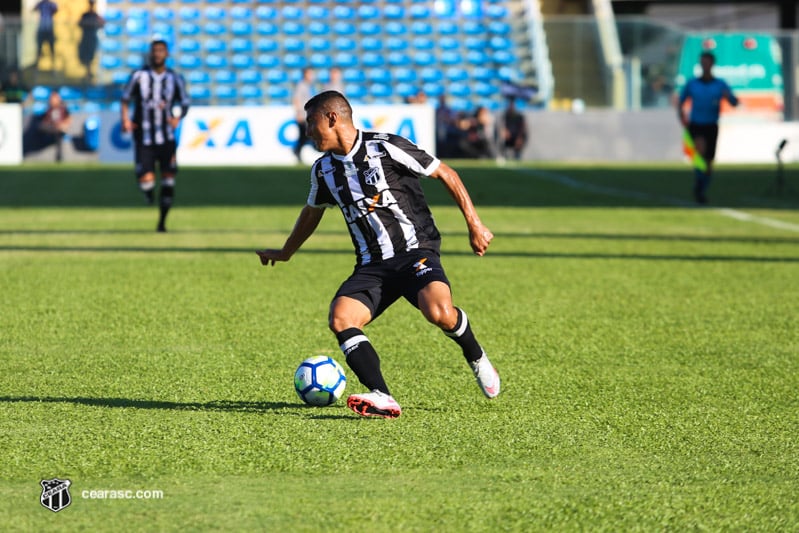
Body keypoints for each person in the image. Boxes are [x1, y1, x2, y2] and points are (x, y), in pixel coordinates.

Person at [256, 91, 500, 419]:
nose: (308, 131)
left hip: (416, 253)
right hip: (372, 265)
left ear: (332, 118)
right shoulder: (323, 169)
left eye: (311, 122)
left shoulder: (385, 146)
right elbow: (313, 212)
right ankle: (382, 395)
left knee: (440, 313)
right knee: (341, 318)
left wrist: (475, 224)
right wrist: (286, 251)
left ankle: (476, 356)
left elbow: (445, 173)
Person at [120, 40, 190, 232]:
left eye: (161, 51)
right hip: (144, 138)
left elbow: (185, 102)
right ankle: (148, 193)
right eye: (155, 51)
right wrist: (125, 120)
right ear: (150, 54)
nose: (157, 54)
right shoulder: (138, 76)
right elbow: (125, 99)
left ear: (166, 54)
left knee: (168, 180)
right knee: (146, 181)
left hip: (166, 138)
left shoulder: (174, 78)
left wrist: (178, 117)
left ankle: (162, 223)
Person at [677, 51, 739, 204]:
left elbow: (734, 102)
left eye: (707, 62)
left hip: (711, 124)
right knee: (700, 153)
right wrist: (682, 117)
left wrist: (728, 97)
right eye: (702, 62)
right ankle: (699, 187)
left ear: (712, 64)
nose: (704, 65)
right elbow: (681, 101)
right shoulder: (692, 84)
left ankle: (701, 188)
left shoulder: (720, 84)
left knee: (709, 161)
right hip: (697, 124)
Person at [38, 90, 71, 161]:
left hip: (60, 128)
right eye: (52, 98)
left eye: (55, 98)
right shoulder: (48, 109)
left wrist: (63, 124)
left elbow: (68, 119)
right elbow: (44, 121)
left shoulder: (63, 109)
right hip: (51, 128)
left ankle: (59, 157)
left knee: (59, 132)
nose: (53, 100)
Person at [77, 0, 105, 83]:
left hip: (92, 38)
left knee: (90, 55)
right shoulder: (85, 15)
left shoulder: (95, 15)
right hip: (85, 38)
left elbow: (102, 24)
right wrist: (90, 23)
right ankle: (87, 73)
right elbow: (80, 23)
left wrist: (93, 24)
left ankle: (88, 73)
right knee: (84, 56)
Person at [291, 67, 315, 163]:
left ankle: (297, 152)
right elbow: (296, 99)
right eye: (310, 74)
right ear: (305, 74)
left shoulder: (309, 86)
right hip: (303, 115)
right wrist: (298, 113)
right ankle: (297, 151)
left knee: (304, 137)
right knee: (306, 136)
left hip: (307, 115)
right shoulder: (301, 85)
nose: (312, 76)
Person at [33, 0, 58, 71]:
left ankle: (53, 66)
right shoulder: (41, 4)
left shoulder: (51, 4)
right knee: (39, 49)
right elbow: (34, 9)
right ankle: (37, 66)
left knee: (52, 49)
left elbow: (56, 9)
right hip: (42, 28)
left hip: (49, 29)